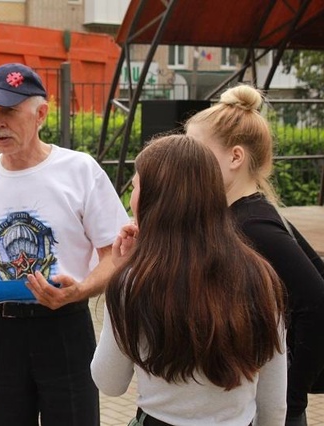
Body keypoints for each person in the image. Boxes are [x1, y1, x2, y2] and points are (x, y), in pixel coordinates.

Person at [0, 63, 130, 426]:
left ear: (41, 114)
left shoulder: (80, 170)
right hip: (1, 331)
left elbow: (116, 255)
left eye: (10, 111)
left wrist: (81, 290)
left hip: (64, 326)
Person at [91, 134, 288, 425]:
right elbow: (273, 403)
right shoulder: (259, 276)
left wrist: (120, 279)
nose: (131, 197)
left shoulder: (134, 283)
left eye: (135, 187)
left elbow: (109, 381)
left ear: (152, 200)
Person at [185, 84, 324, 426]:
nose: (188, 165)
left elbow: (318, 301)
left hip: (273, 411)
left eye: (198, 154)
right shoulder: (245, 215)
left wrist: (292, 393)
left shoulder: (253, 226)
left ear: (235, 157)